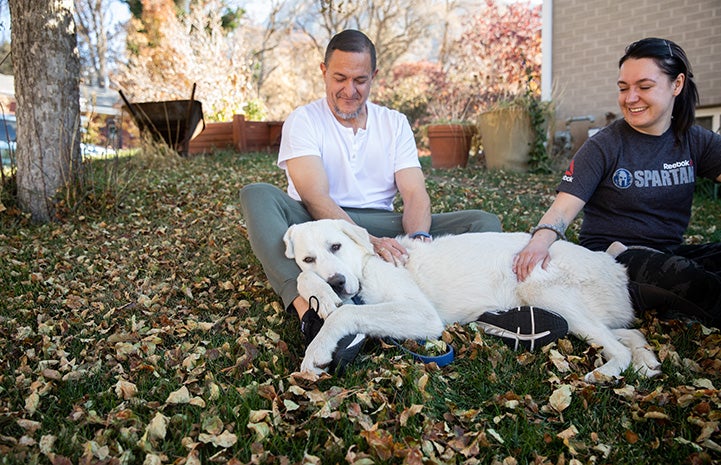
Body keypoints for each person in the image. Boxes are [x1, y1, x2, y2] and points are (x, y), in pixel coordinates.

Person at [240, 29, 566, 374]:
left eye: (360, 80)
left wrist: (418, 242)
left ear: (374, 77)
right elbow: (315, 196)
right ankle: (313, 309)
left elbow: (414, 193)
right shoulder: (304, 120)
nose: (350, 90)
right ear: (323, 72)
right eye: (340, 78)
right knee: (257, 195)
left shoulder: (393, 123)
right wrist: (367, 241)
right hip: (320, 226)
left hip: (383, 221)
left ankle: (489, 315)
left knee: (482, 223)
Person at [514, 37, 721, 328]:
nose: (630, 97)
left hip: (669, 253)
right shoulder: (605, 146)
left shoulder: (695, 141)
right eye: (624, 88)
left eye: (644, 87)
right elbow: (562, 210)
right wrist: (538, 242)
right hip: (613, 261)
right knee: (692, 280)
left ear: (677, 85)